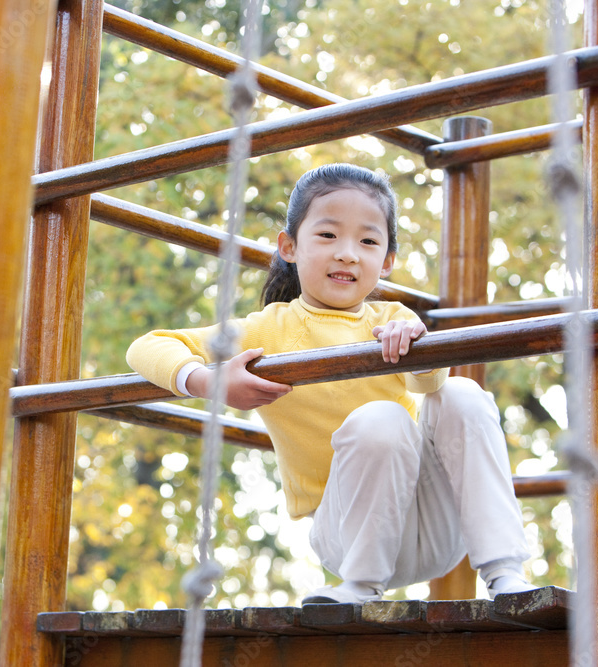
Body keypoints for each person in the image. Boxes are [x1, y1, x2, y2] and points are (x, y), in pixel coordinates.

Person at [126, 163, 536, 604]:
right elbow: (146, 347)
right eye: (327, 235)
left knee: (460, 391)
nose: (347, 253)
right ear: (289, 246)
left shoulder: (394, 319)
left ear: (388, 261)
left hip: (434, 525)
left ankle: (506, 573)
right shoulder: (270, 331)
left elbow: (433, 383)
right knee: (381, 418)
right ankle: (359, 589)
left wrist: (416, 352)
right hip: (347, 533)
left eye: (368, 241)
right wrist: (208, 381)